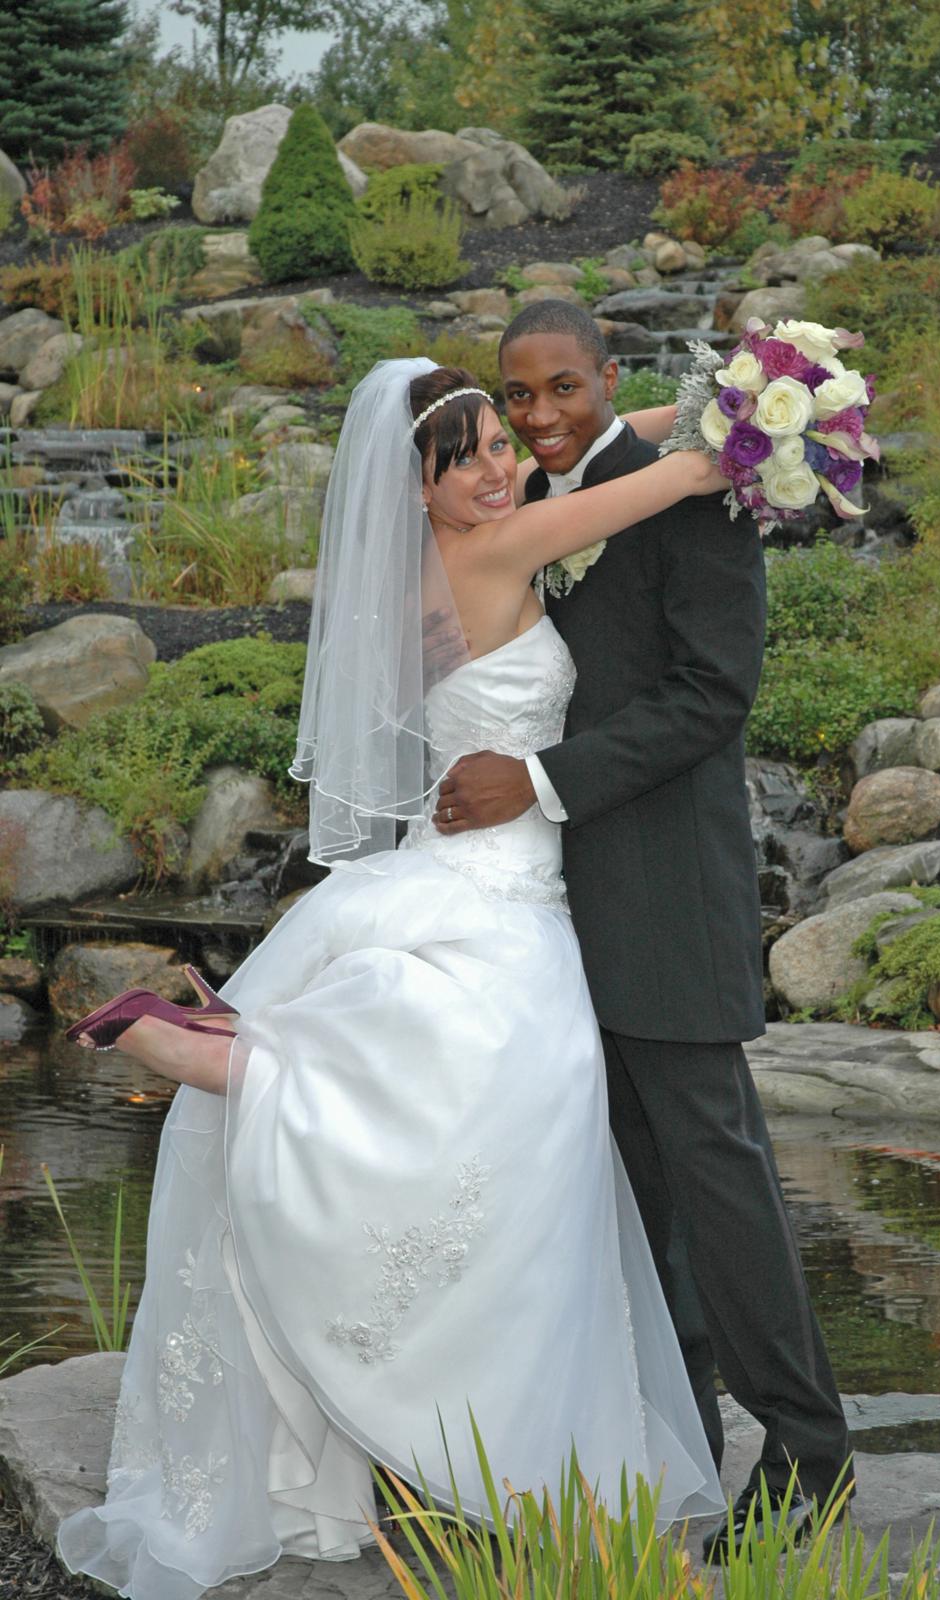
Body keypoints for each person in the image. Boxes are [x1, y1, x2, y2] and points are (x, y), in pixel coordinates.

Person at [57, 357, 728, 1600]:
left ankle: (222, 1047)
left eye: (499, 444)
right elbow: (669, 477)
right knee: (525, 1143)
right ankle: (231, 1060)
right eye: (461, 459)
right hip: (504, 894)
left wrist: (716, 394)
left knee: (450, 1114)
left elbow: (591, 437)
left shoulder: (433, 560)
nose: (497, 468)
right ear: (415, 488)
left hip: (446, 862)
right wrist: (777, 424)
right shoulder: (496, 550)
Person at [432, 301, 854, 1555]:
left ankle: (809, 1452)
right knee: (632, 1193)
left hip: (665, 895)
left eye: (564, 386)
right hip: (549, 914)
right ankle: (678, 1440)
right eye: (519, 396)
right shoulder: (532, 499)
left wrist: (539, 779)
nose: (540, 415)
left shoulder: (697, 499)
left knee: (719, 1188)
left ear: (608, 376)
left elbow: (712, 693)